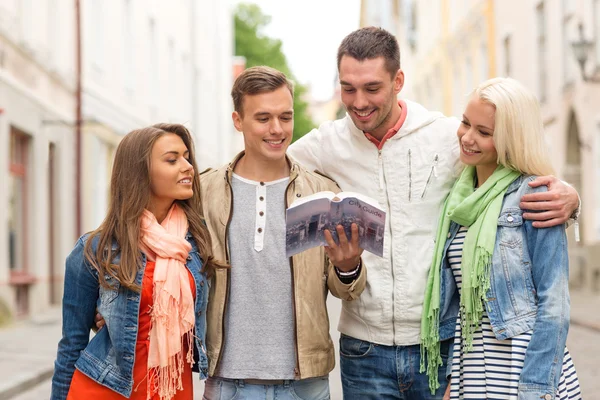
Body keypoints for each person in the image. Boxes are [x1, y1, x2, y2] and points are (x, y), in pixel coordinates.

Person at [288, 27, 580, 399]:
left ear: (398, 81)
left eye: (372, 88)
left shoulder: (449, 136)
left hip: (440, 347)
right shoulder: (324, 145)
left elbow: (516, 168)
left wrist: (571, 198)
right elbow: (266, 167)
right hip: (363, 349)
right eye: (348, 88)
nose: (359, 101)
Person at [199, 66, 366, 400]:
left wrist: (349, 266)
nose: (277, 130)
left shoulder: (322, 192)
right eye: (263, 118)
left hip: (305, 385)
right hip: (228, 383)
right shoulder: (205, 192)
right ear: (237, 120)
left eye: (285, 117)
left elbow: (345, 290)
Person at [421, 77, 582, 400]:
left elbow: (555, 302)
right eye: (466, 123)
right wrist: (455, 376)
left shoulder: (535, 195)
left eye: (484, 132)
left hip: (524, 370)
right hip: (474, 370)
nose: (467, 137)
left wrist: (536, 387)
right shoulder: (459, 200)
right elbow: (463, 309)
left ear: (510, 138)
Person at [51, 123, 221, 400]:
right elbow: (72, 344)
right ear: (140, 172)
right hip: (105, 389)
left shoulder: (198, 242)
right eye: (172, 159)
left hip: (171, 389)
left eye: (187, 157)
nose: (188, 166)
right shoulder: (95, 249)